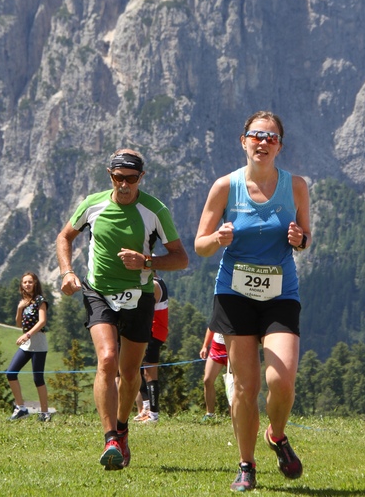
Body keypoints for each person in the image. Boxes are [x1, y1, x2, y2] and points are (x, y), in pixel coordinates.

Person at [195, 110, 311, 493]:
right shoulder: (225, 186)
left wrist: (300, 239)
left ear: (280, 145)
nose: (263, 142)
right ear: (243, 141)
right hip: (234, 293)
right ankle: (246, 464)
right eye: (256, 135)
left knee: (281, 380)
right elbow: (201, 244)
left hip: (280, 293)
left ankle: (275, 435)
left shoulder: (296, 186)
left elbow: (306, 235)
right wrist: (219, 238)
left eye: (271, 137)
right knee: (245, 386)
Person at [56, 148, 188, 470]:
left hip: (140, 296)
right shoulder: (93, 204)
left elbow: (181, 258)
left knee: (130, 375)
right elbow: (65, 236)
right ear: (110, 175)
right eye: (118, 178)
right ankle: (110, 439)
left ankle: (123, 428)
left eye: (130, 178)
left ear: (141, 177)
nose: (124, 184)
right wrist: (67, 272)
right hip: (99, 291)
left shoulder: (155, 211)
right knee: (107, 360)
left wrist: (146, 261)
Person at [6, 272, 50, 422]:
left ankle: (44, 413)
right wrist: (19, 309)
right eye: (24, 282)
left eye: (30, 282)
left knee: (38, 378)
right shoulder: (24, 302)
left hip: (38, 343)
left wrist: (27, 335)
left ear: (35, 283)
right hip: (27, 345)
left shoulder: (40, 301)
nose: (27, 284)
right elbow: (19, 324)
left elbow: (42, 321)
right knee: (11, 373)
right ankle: (21, 408)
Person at [133, 273, 169, 424]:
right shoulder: (153, 281)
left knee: (149, 372)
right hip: (149, 330)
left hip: (154, 331)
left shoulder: (154, 284)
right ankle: (146, 407)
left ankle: (153, 413)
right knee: (138, 369)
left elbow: (145, 307)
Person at [199, 327, 228, 420]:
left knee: (233, 384)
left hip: (233, 346)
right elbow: (212, 325)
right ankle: (210, 414)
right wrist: (205, 346)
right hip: (217, 346)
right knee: (207, 380)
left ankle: (234, 417)